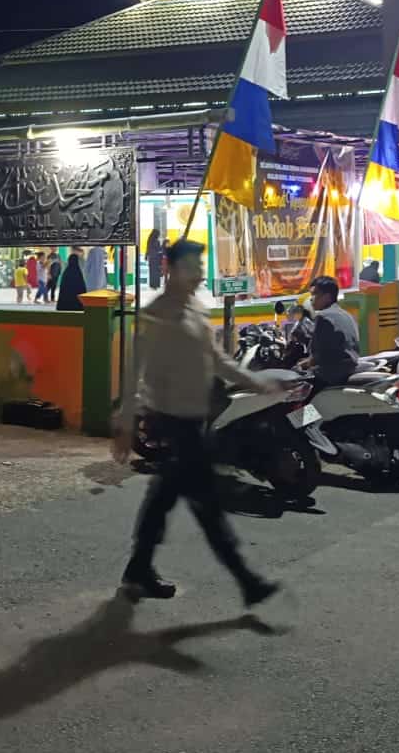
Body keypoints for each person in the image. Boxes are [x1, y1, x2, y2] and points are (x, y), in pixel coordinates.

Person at [111, 239, 280, 607]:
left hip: (195, 420)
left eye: (200, 266)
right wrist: (125, 423)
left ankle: (138, 568)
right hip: (172, 422)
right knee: (206, 506)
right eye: (191, 266)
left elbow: (217, 360)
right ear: (171, 269)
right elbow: (134, 370)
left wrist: (255, 383)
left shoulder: (196, 310)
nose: (200, 273)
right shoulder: (156, 314)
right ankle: (247, 580)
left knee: (163, 498)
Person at [303, 276, 359, 388]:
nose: (311, 299)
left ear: (328, 297)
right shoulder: (347, 314)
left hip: (331, 375)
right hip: (350, 368)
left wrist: (302, 365)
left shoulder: (323, 317)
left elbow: (319, 355)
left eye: (315, 294)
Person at [56, 246, 87, 311]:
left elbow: (62, 289)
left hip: (65, 305)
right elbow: (82, 289)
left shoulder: (66, 273)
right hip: (78, 306)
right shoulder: (79, 274)